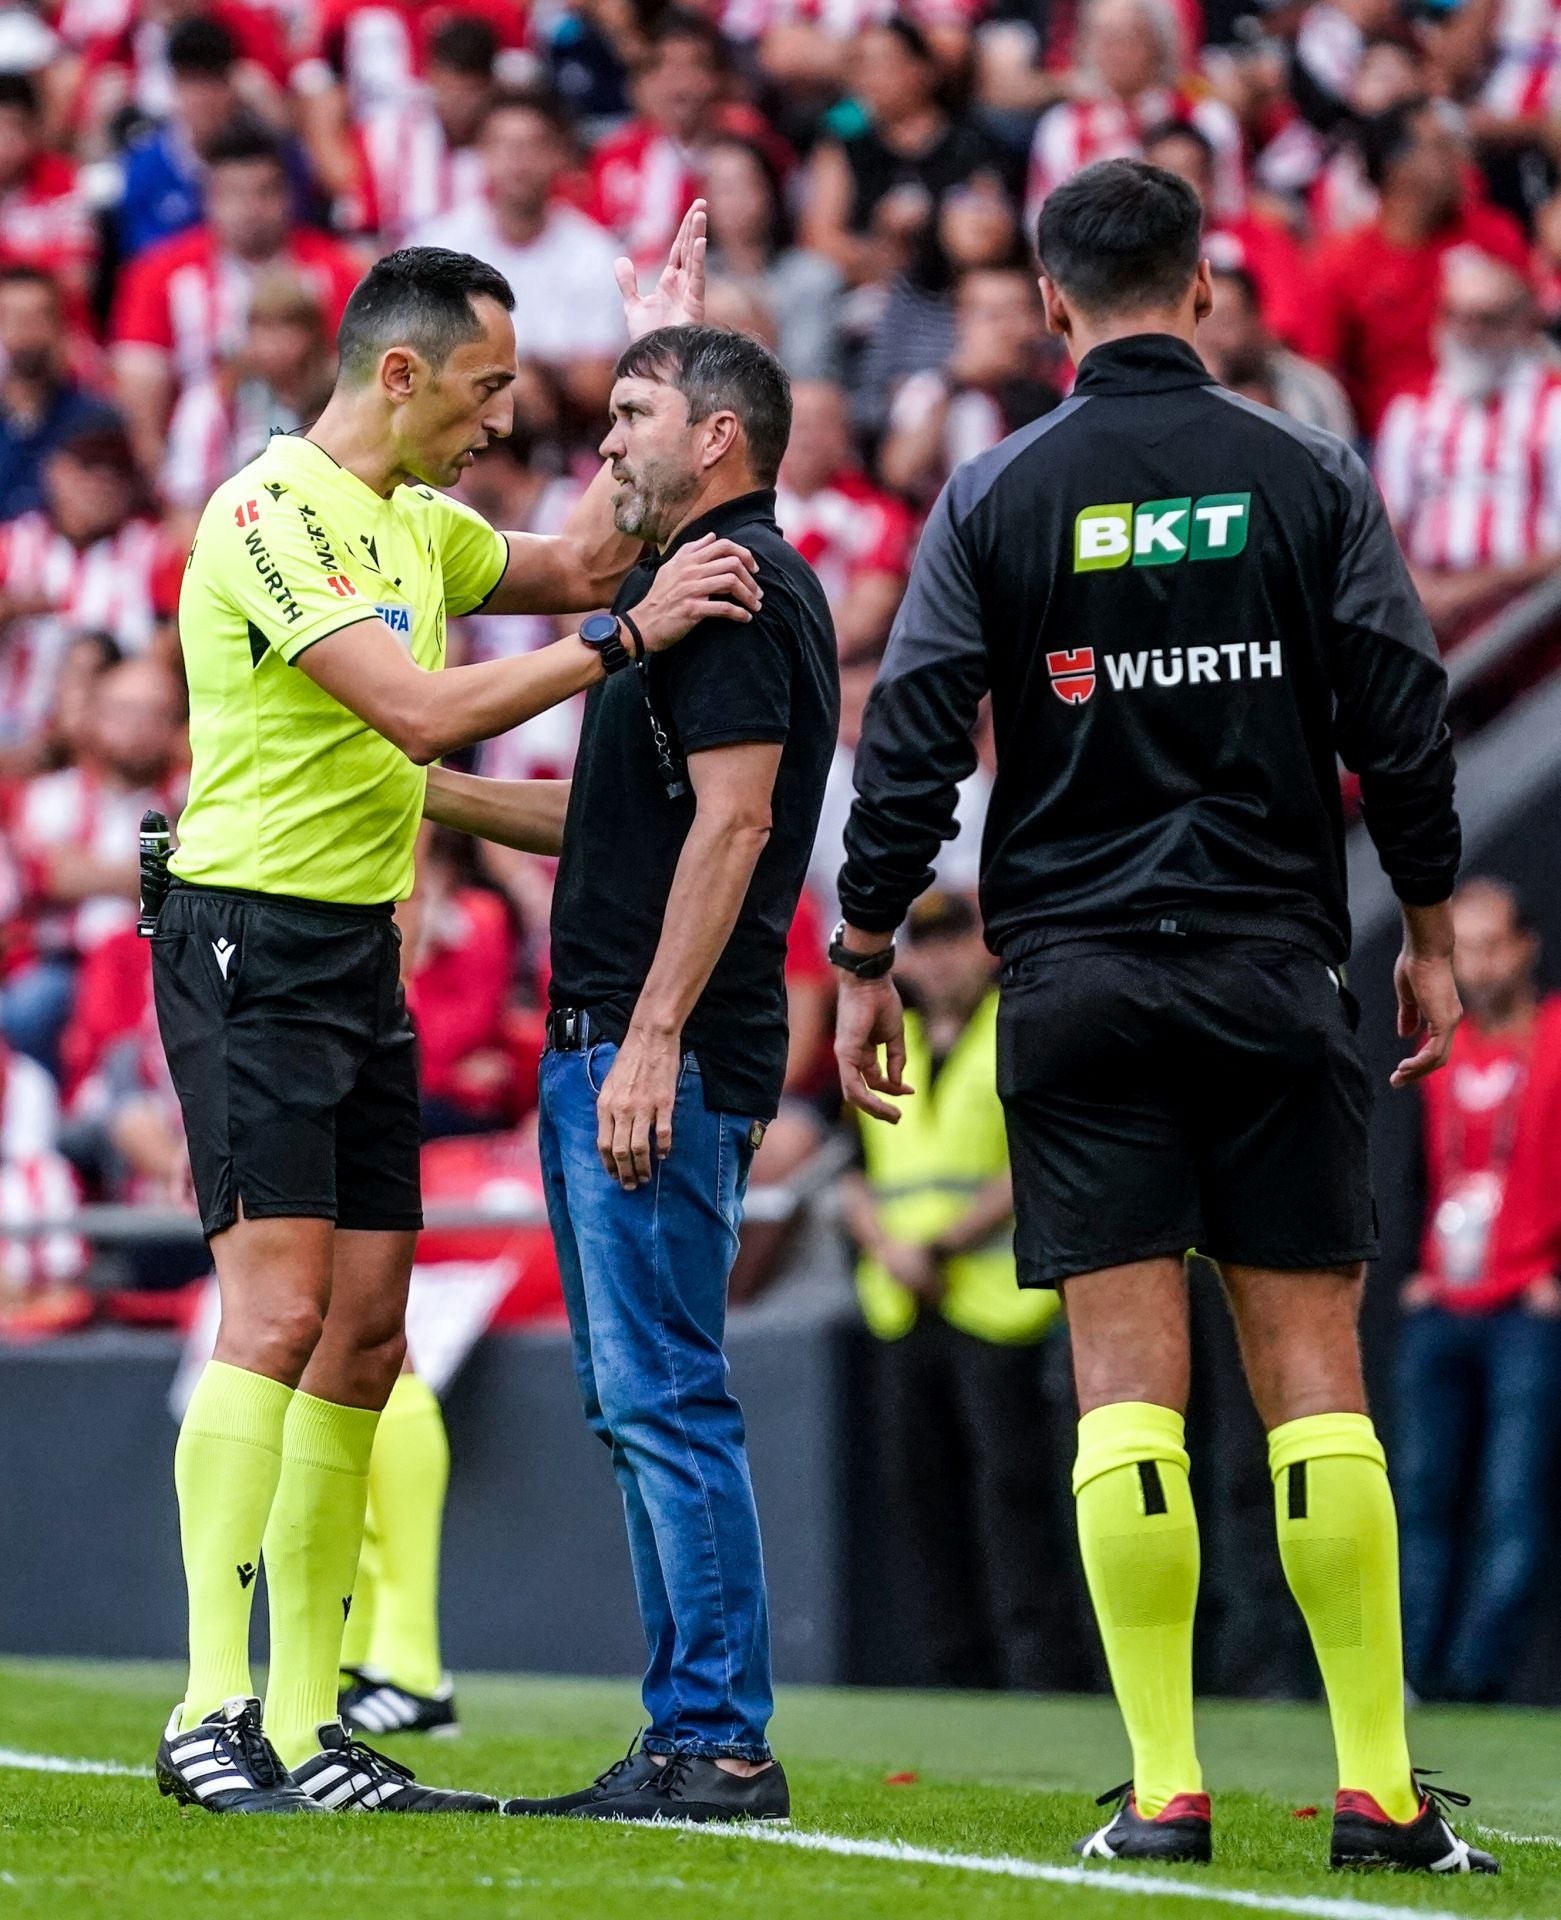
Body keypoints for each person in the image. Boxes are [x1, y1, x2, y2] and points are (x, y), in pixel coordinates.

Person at [829, 157, 1494, 1874]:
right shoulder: (1306, 474)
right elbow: (1404, 721)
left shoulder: (993, 491)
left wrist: (863, 952)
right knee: (1311, 1373)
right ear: (1205, 287)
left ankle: (1168, 1791)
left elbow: (907, 743)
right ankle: (1377, 1793)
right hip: (1274, 964)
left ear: (1050, 303)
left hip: (1076, 982)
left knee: (1123, 1383)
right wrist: (1425, 923)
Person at [152, 221, 761, 1817]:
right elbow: (425, 709)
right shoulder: (270, 512)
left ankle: (305, 1720)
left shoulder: (414, 523)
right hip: (246, 942)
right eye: (485, 389)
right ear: (401, 371)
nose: (505, 420)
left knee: (363, 1340)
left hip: (358, 953)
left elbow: (577, 561)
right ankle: (211, 1706)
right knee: (276, 1320)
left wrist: (658, 353)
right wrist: (626, 643)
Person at [423, 324, 838, 1824]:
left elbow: (732, 830)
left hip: (653, 1045)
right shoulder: (682, 596)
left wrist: (651, 1035)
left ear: (717, 438)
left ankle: (718, 1737)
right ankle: (690, 1731)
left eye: (632, 417)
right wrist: (418, 780)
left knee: (664, 1394)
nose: (603, 446)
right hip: (616, 1034)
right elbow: (611, 828)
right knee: (640, 1396)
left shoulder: (723, 595)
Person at [839, 889, 1068, 1690]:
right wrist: (883, 1240)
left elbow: (1034, 1159)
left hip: (992, 1298)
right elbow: (848, 1174)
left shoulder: (1016, 1026)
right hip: (903, 1301)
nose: (937, 960)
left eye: (953, 941)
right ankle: (951, 1672)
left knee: (1011, 1491)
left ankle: (1035, 1669)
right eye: (923, 945)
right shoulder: (878, 1031)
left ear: (988, 946)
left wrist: (936, 1243)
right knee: (921, 1493)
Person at [1395, 878, 1561, 1704]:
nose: (1475, 964)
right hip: (1442, 1304)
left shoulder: (1557, 1040)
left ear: (1525, 947)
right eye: (1458, 948)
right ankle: (1413, 1672)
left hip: (1525, 1306)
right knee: (1420, 1494)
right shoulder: (1438, 1047)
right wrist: (1406, 1273)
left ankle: (1475, 1675)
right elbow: (1404, 1166)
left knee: (1511, 1498)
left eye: (1489, 944)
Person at [111, 124, 364, 474]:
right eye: (233, 194)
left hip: (315, 455)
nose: (251, 208)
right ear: (208, 198)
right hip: (198, 462)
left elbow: (358, 384)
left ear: (289, 196)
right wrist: (163, 483)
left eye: (265, 192)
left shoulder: (334, 271)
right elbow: (139, 389)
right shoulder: (159, 275)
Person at [1310, 101, 1528, 436]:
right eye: (1441, 147)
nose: (1460, 158)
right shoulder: (1343, 261)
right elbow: (1320, 372)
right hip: (1391, 439)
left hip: (1502, 426)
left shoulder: (1494, 234)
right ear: (1400, 168)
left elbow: (1530, 331)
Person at [1375, 251, 1561, 643]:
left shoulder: (1554, 407)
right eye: (1454, 316)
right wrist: (1420, 589)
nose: (1467, 332)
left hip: (1535, 615)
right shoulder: (1411, 409)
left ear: (1525, 325)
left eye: (1487, 319)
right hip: (1431, 618)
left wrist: (1474, 587)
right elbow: (1387, 527)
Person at [411, 92, 626, 421]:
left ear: (558, 156)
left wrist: (517, 376)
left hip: (562, 426)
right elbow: (418, 358)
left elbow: (596, 383)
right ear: (481, 155)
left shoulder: (595, 253)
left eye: (533, 146)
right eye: (504, 147)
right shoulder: (438, 247)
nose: (518, 161)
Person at [0, 265, 122, 522]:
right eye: (11, 319)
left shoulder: (97, 425)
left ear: (61, 327)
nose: (23, 334)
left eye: (37, 318)